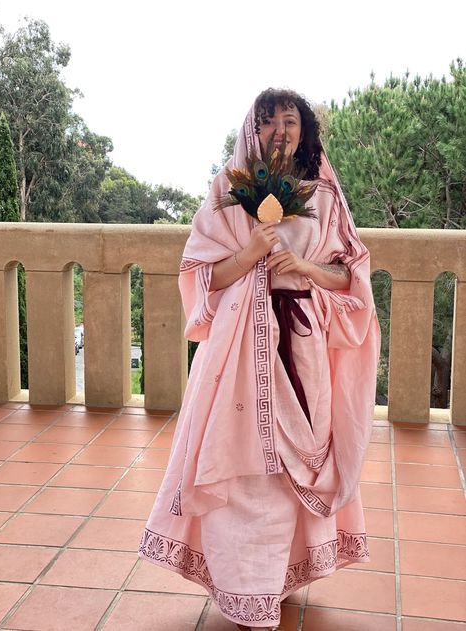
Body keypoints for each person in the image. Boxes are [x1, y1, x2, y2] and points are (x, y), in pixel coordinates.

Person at [138, 88, 381, 630]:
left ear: (303, 130)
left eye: (289, 121)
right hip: (238, 351)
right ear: (252, 129)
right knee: (242, 462)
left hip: (303, 348)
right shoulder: (228, 192)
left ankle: (281, 576)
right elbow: (199, 276)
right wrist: (251, 254)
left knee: (293, 467)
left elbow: (351, 275)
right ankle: (247, 590)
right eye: (268, 121)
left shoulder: (323, 195)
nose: (279, 132)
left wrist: (303, 266)